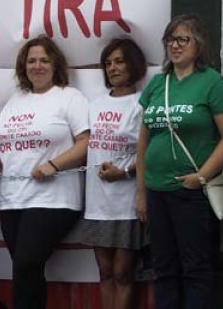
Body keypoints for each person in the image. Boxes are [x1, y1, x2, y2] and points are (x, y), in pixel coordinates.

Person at [135, 14, 223, 309]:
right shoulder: (157, 85)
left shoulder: (212, 84)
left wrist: (201, 177)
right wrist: (141, 191)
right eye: (171, 39)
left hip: (192, 192)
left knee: (196, 269)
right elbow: (143, 141)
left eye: (183, 39)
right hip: (157, 191)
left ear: (199, 44)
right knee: (163, 268)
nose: (175, 45)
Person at [0, 36, 89, 309]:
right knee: (25, 269)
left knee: (27, 263)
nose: (37, 66)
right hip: (12, 199)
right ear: (23, 66)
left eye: (44, 60)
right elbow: (3, 143)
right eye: (31, 61)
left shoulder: (69, 97)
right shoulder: (16, 101)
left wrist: (54, 165)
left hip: (54, 200)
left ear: (55, 65)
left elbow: (86, 143)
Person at [80, 38, 148, 309]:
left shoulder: (141, 103)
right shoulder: (94, 104)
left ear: (133, 64)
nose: (113, 68)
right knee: (105, 271)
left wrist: (125, 171)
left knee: (123, 271)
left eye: (119, 61)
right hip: (97, 202)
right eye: (108, 63)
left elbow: (147, 150)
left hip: (126, 202)